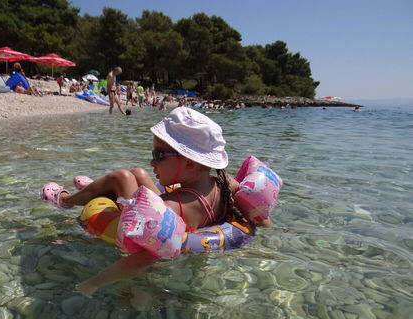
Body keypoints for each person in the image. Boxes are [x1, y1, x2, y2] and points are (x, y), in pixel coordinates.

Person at [40, 106, 271, 296]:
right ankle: (97, 189)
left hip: (159, 214)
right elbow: (257, 215)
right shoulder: (226, 183)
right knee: (139, 173)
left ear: (190, 164)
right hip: (186, 208)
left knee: (121, 177)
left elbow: (141, 260)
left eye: (158, 155)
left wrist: (93, 283)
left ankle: (67, 199)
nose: (153, 163)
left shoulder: (172, 206)